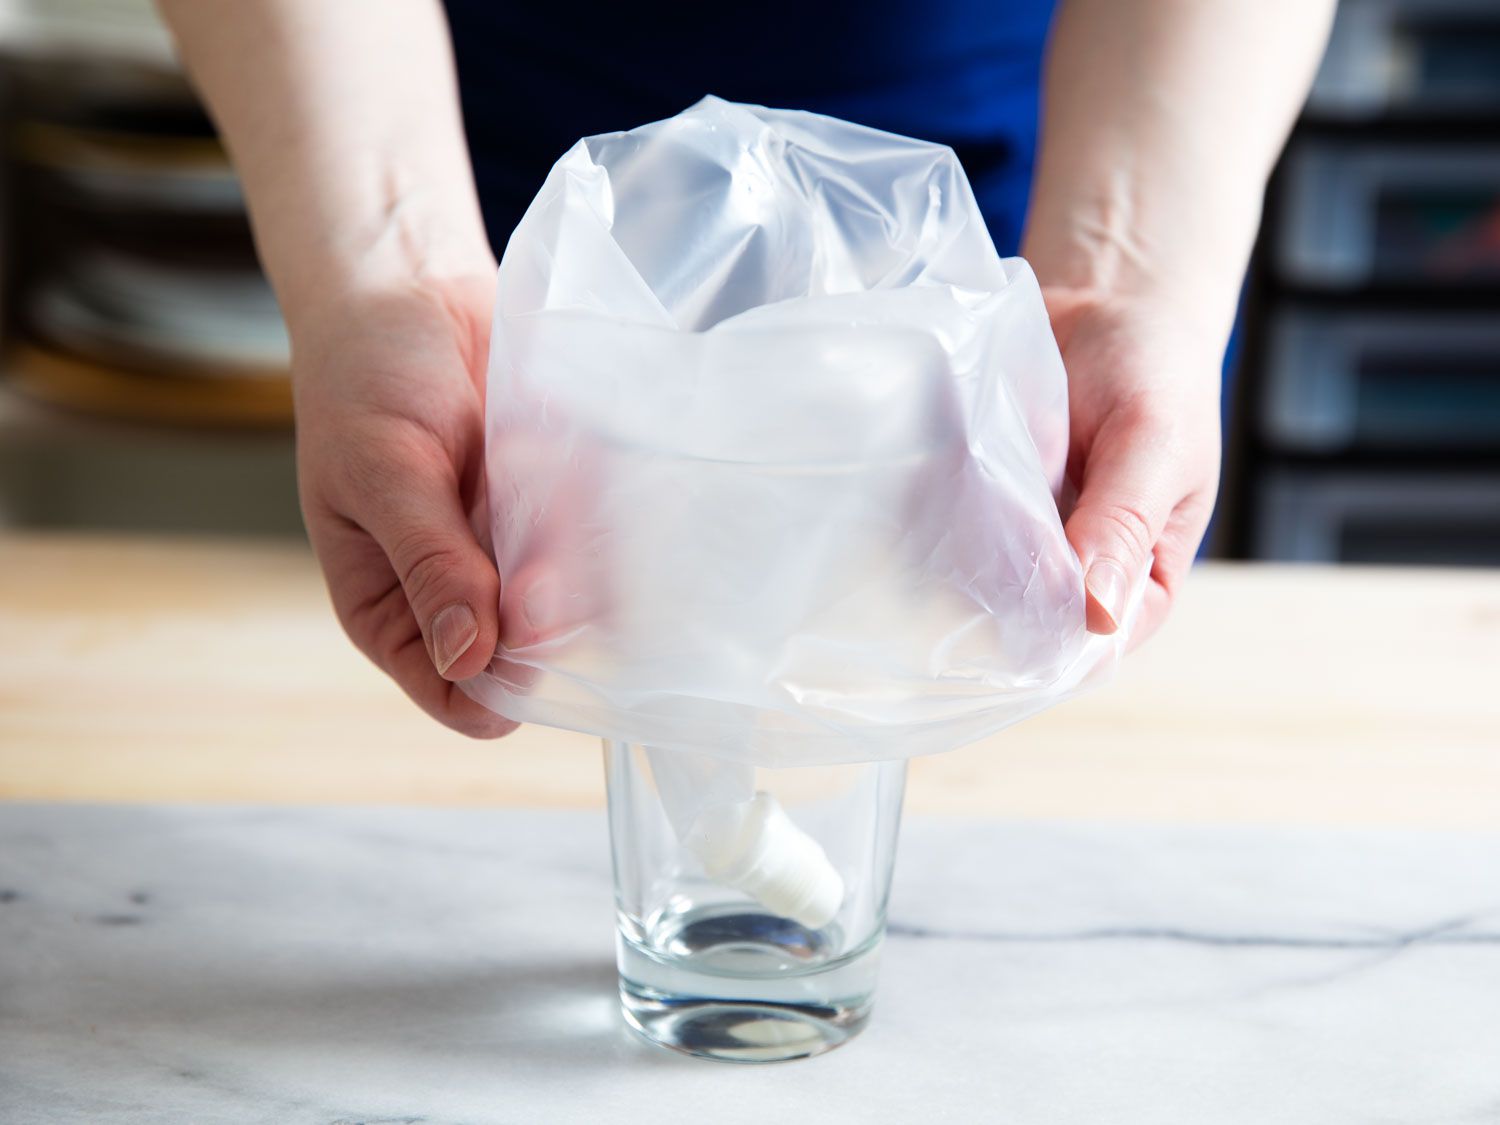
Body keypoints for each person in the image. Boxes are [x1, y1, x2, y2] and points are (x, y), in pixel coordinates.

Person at [156, 0, 1334, 737]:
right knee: (501, 666)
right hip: (494, 247)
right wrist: (389, 267)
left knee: (989, 694)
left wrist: (1125, 273)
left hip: (1019, 263)